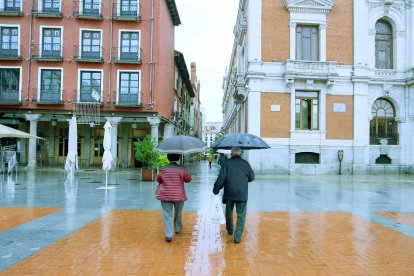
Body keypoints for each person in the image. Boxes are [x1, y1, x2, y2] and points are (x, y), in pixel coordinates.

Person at [212, 147, 255, 243]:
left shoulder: (227, 163)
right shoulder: (245, 163)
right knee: (241, 215)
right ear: (241, 154)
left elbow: (221, 177)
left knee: (228, 212)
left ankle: (230, 230)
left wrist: (216, 189)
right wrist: (243, 179)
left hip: (229, 192)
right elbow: (252, 177)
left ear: (231, 154)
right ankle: (237, 237)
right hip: (242, 193)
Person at [156, 153, 192, 242]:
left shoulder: (162, 169)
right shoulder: (182, 169)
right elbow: (188, 180)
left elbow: (159, 179)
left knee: (167, 214)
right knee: (178, 212)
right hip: (179, 195)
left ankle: (168, 235)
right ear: (179, 158)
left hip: (165, 195)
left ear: (168, 158)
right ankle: (177, 228)